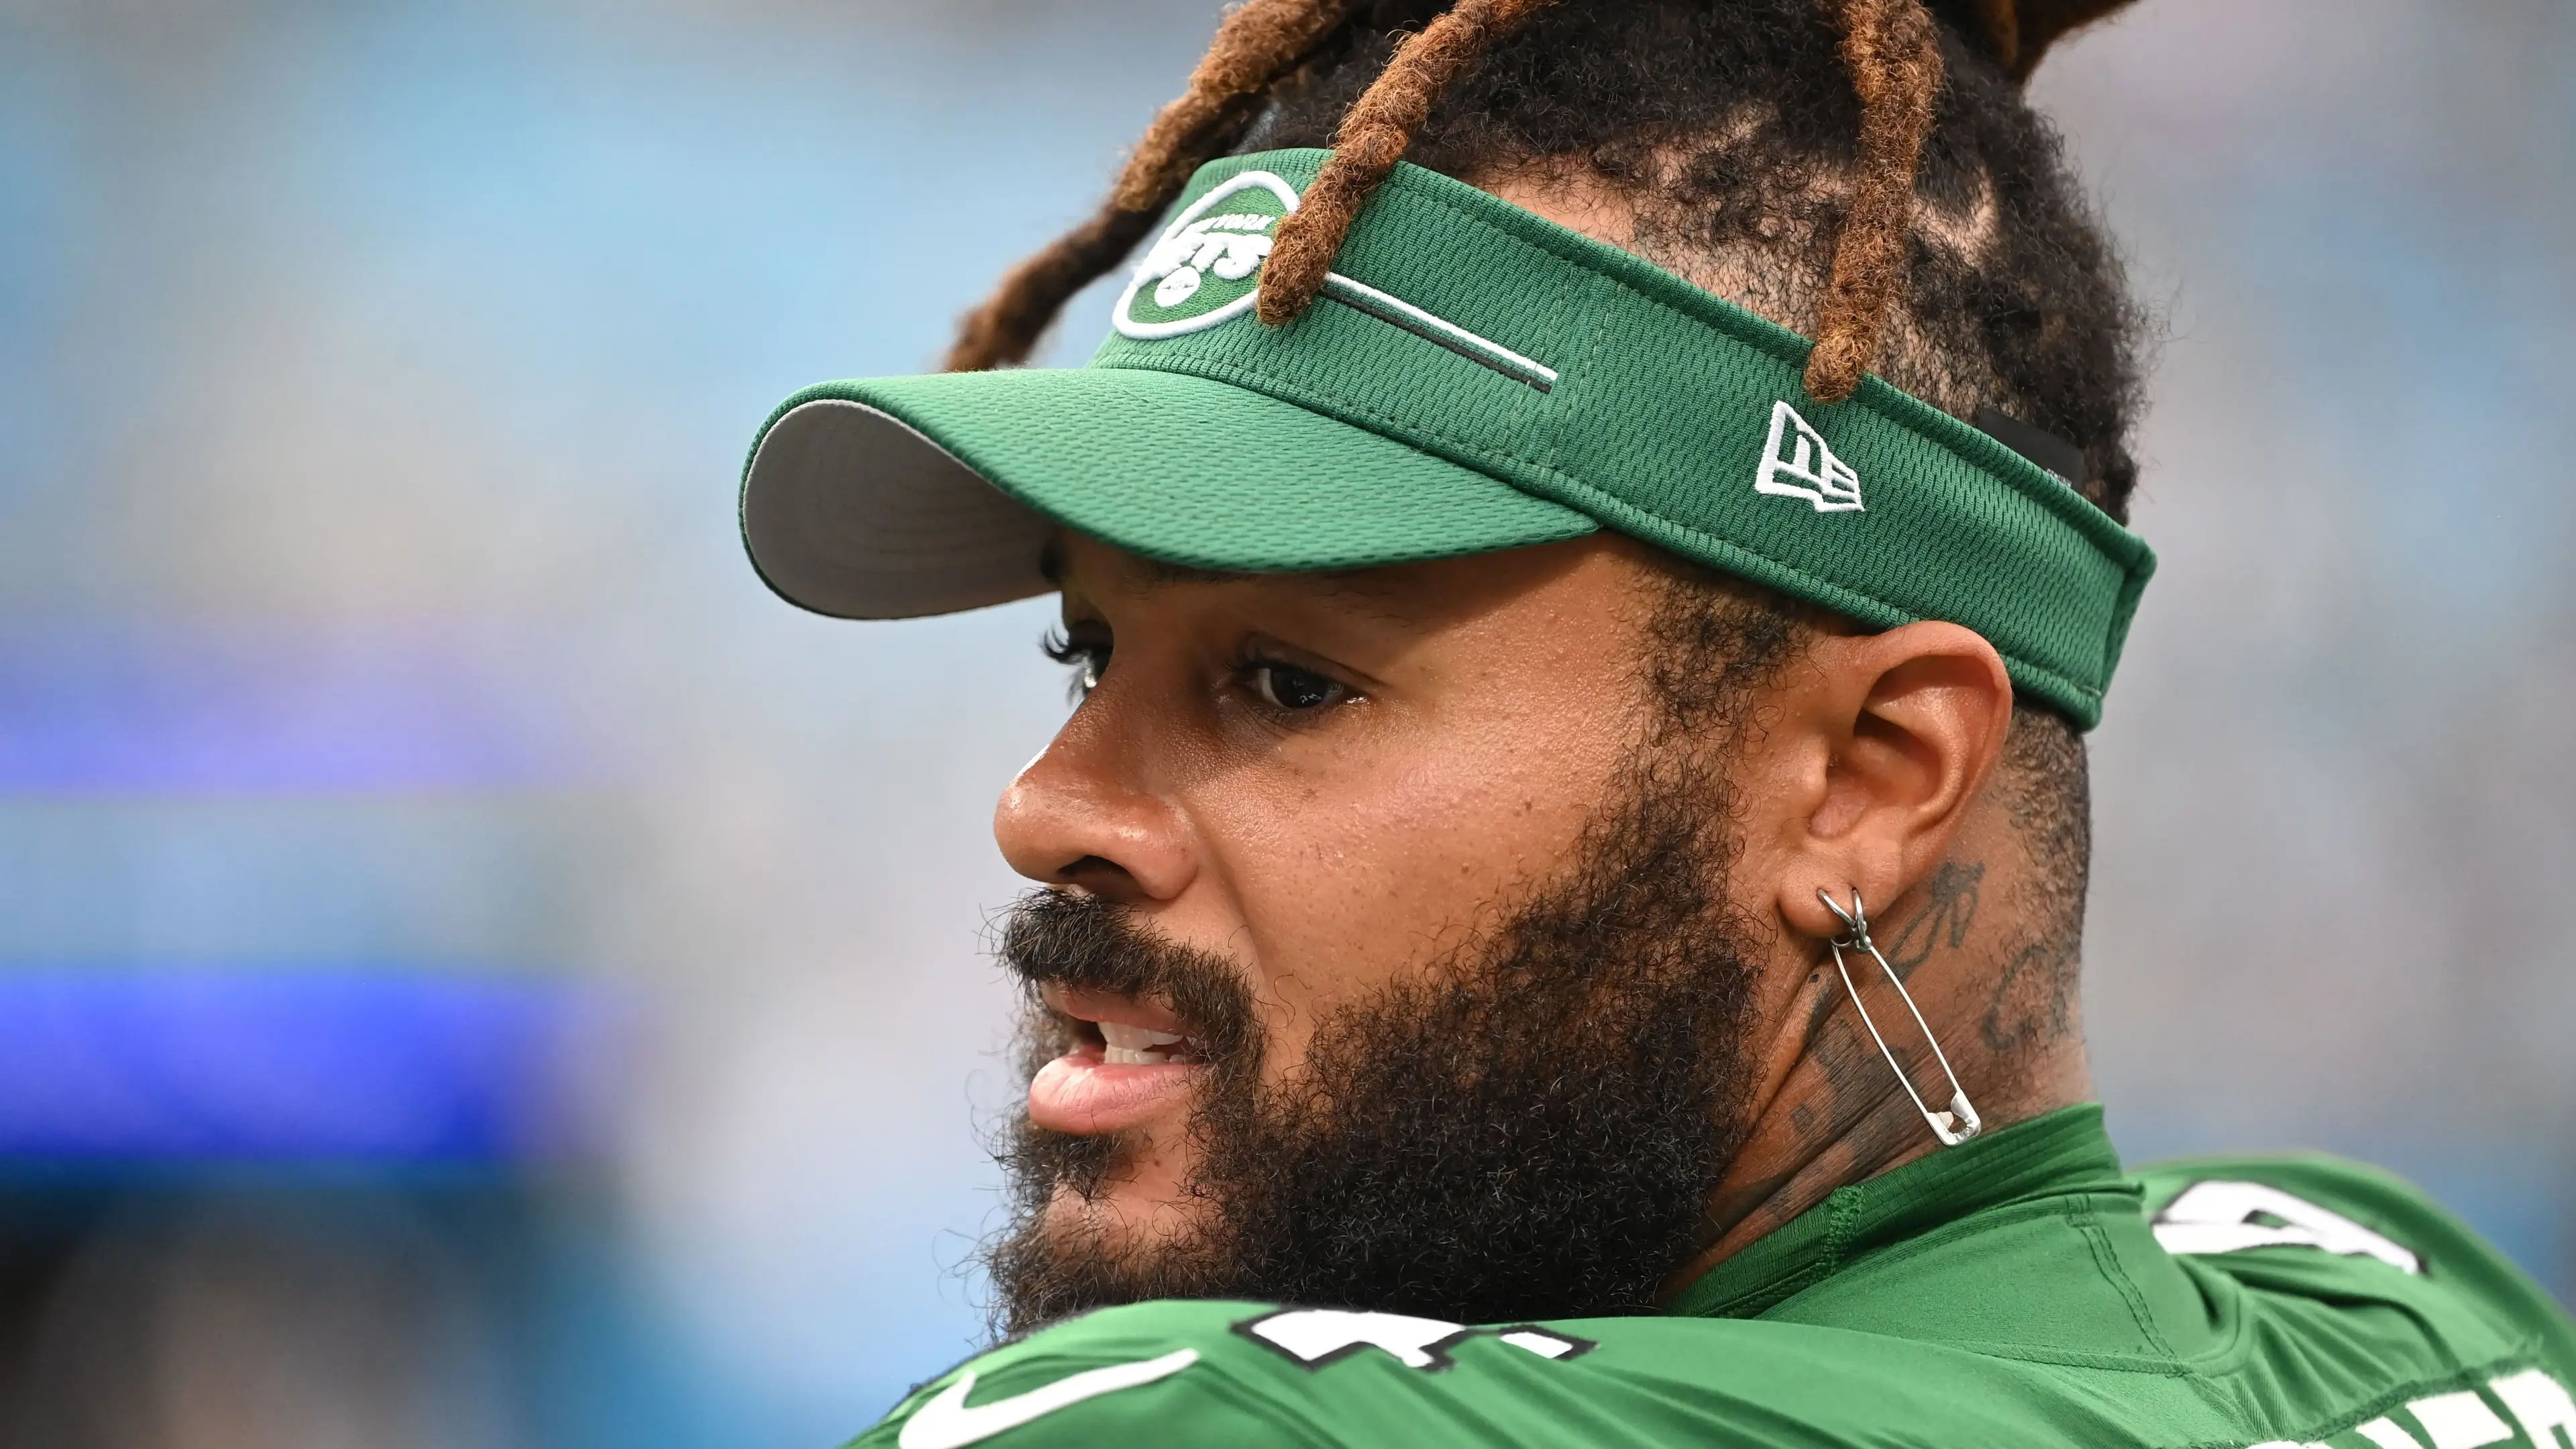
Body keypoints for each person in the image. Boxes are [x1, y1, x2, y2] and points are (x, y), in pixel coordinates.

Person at [736, 1, 2576, 1444]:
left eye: (1289, 680)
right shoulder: (2403, 1303)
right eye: (1090, 658)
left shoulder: (1195, 1427)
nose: (1050, 810)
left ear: (1873, 778)